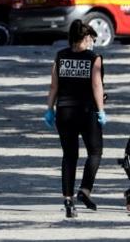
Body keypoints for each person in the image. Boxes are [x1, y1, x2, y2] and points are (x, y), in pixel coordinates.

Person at [45, 20, 107, 218]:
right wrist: (101, 110)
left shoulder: (60, 56)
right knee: (95, 152)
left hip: (64, 112)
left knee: (69, 156)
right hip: (87, 111)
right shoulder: (94, 58)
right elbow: (97, 86)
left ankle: (68, 200)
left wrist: (49, 108)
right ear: (87, 37)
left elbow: (53, 86)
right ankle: (85, 189)